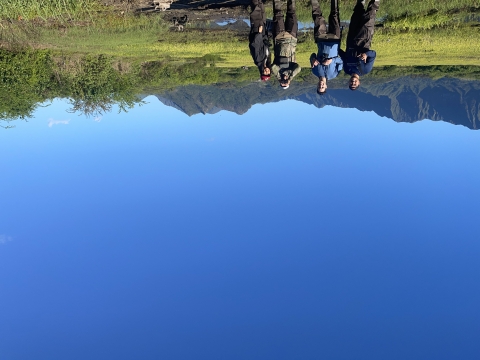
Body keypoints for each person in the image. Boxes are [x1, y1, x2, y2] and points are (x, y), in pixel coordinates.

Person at [339, 0, 380, 90]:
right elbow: (373, 54)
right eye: (355, 83)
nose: (353, 82)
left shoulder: (346, 70)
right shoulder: (365, 70)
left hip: (351, 38)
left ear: (349, 82)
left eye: (351, 83)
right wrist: (366, 54)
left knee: (357, 13)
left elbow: (343, 55)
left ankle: (361, 2)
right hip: (364, 38)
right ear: (359, 83)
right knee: (370, 15)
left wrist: (333, 51)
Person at [310, 0, 343, 95]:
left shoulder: (314, 71)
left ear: (317, 85)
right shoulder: (334, 74)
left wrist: (313, 60)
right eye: (323, 87)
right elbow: (341, 61)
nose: (321, 85)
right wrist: (332, 61)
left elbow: (312, 55)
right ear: (326, 86)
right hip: (335, 40)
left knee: (317, 16)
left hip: (321, 39)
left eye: (319, 87)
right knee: (334, 15)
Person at [271, 0, 301, 89]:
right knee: (291, 13)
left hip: (279, 38)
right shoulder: (291, 72)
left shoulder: (278, 72)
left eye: (282, 82)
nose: (284, 80)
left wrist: (279, 78)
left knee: (277, 14)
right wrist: (290, 78)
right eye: (286, 82)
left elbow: (273, 66)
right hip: (292, 39)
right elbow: (298, 68)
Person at [249, 0, 271, 81]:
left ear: (261, 72)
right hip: (263, 33)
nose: (267, 71)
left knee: (256, 11)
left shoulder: (258, 60)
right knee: (262, 10)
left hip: (257, 32)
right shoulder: (266, 60)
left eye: (265, 73)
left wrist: (259, 33)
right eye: (268, 73)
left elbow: (254, 45)